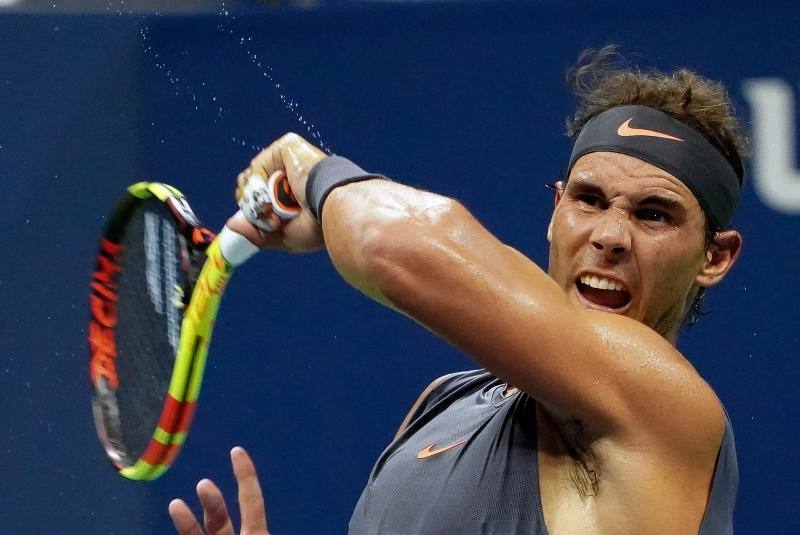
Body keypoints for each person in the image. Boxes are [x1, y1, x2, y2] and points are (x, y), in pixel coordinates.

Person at [169, 48, 745, 534]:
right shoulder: (442, 404)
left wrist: (315, 173)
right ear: (555, 211)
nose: (610, 237)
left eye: (654, 215)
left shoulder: (671, 411)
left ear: (714, 257)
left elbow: (389, 246)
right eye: (589, 201)